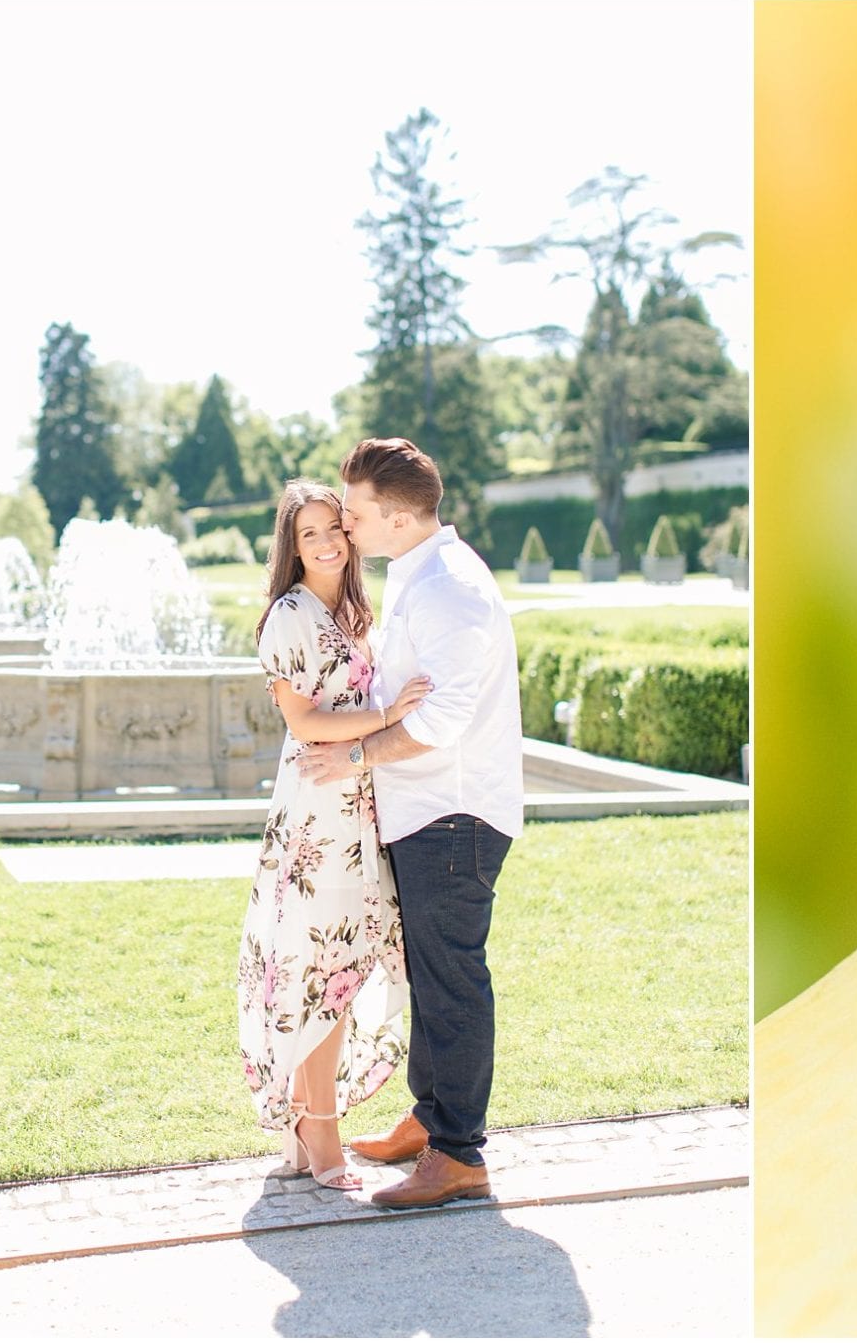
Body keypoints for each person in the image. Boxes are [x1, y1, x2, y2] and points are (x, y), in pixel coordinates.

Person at [297, 437, 524, 1209]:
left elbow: (447, 719)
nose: (346, 525)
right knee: (430, 972)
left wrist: (356, 756)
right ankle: (431, 1122)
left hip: (453, 814)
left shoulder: (449, 590)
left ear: (396, 517)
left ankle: (460, 1153)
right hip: (424, 810)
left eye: (355, 512)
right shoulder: (415, 576)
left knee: (453, 976)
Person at [237, 480, 432, 1191]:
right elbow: (306, 724)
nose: (323, 542)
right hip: (318, 805)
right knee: (325, 966)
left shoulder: (351, 610)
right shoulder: (289, 616)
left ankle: (308, 1115)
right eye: (307, 533)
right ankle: (319, 1127)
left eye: (332, 528)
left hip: (357, 800)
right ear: (291, 546)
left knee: (347, 963)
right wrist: (389, 719)